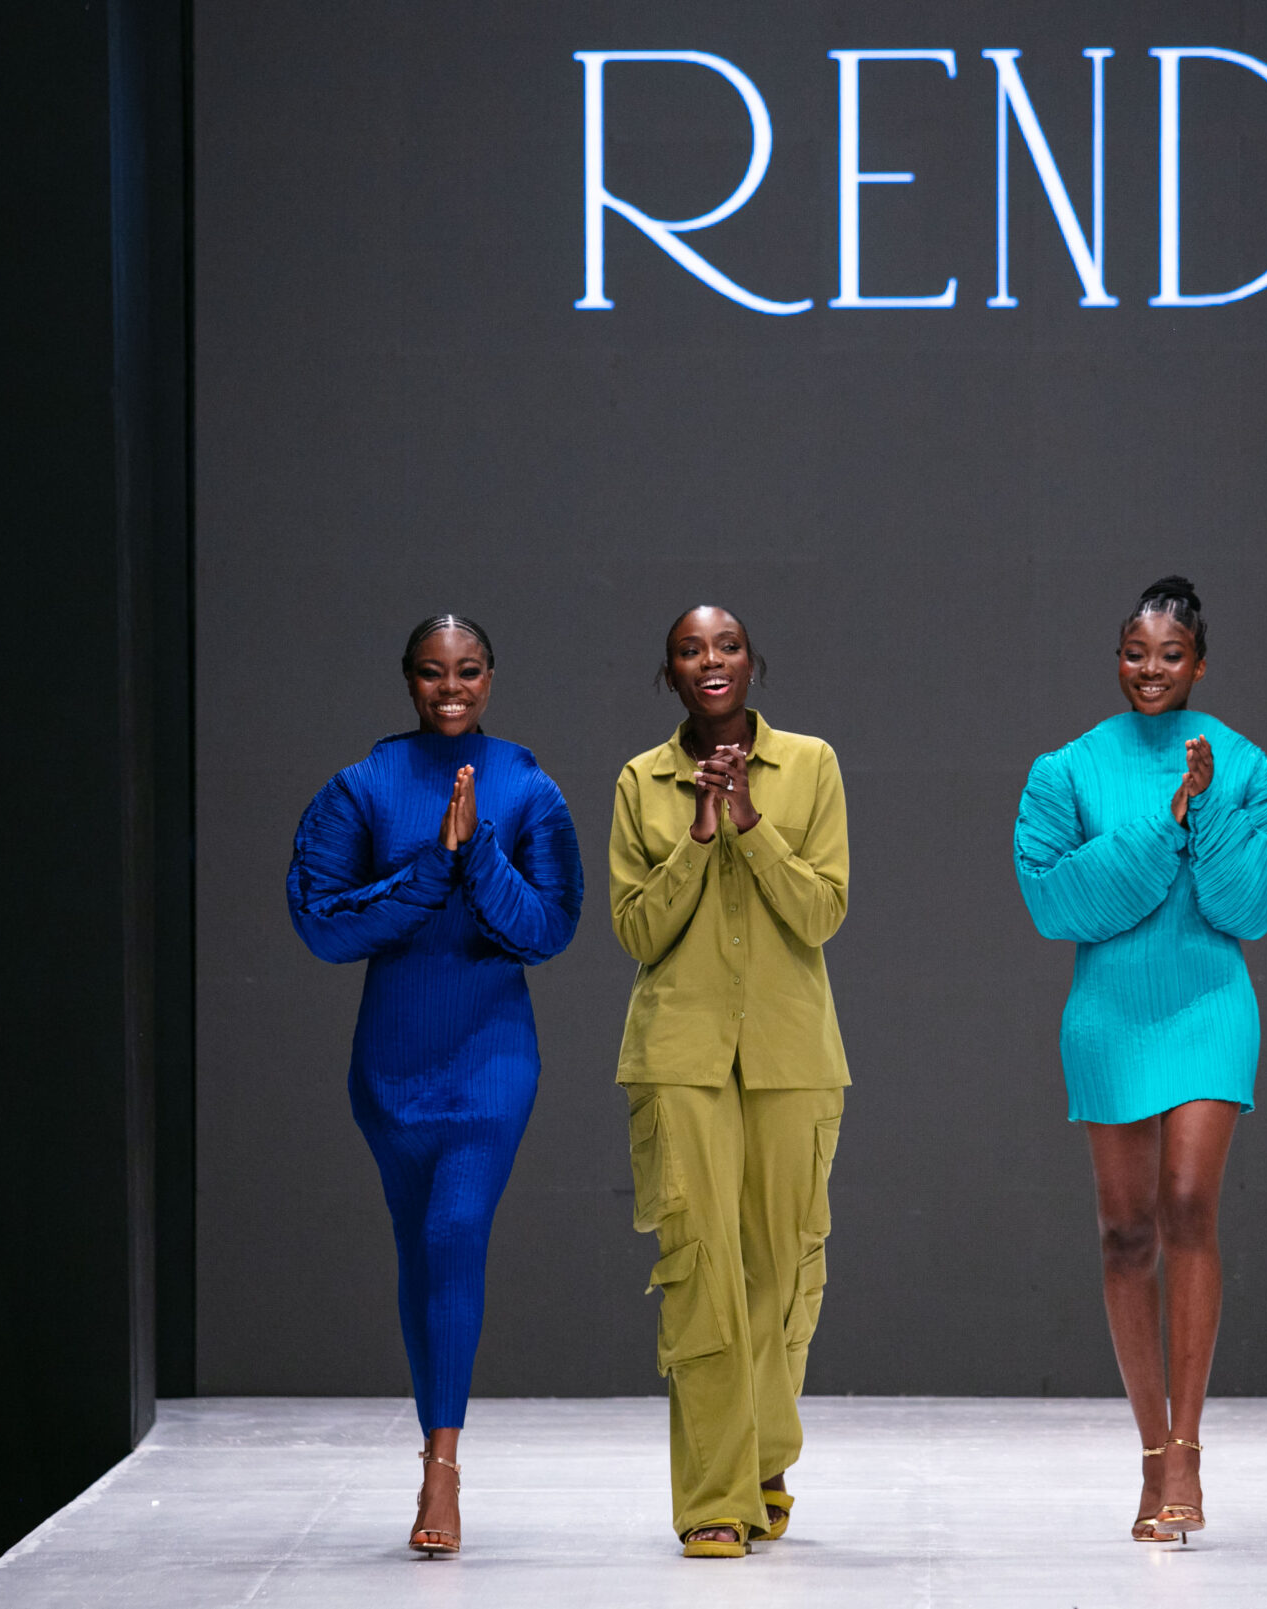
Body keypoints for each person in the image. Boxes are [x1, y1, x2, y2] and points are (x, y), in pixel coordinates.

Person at [1012, 576, 1267, 1542]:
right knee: (1124, 1234)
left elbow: (1252, 902)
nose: (1151, 670)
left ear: (1200, 664)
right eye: (1136, 653)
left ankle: (1187, 1451)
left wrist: (1209, 806)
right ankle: (1151, 1451)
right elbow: (1055, 901)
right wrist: (1166, 819)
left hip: (1209, 1003)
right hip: (1109, 1013)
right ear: (1117, 659)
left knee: (1188, 1205)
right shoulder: (1065, 769)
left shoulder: (1250, 765)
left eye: (1171, 655)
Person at [286, 615, 583, 1555]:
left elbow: (549, 928)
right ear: (408, 679)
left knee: (454, 1231)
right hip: (393, 1061)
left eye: (468, 670)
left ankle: (442, 1471)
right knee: (420, 1253)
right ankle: (434, 1442)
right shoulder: (362, 786)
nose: (450, 687)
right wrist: (434, 866)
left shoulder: (527, 786)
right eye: (431, 671)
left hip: (490, 1056)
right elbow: (322, 922)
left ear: (491, 677)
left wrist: (477, 854)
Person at [609, 605, 850, 1558]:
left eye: (727, 645)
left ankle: (765, 1456)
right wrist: (701, 833)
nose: (710, 660)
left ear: (752, 661)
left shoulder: (812, 765)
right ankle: (714, 1496)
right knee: (701, 1272)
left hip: (793, 1056)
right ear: (669, 672)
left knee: (784, 1271)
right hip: (680, 1056)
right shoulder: (642, 781)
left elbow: (822, 912)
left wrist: (750, 820)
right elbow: (636, 929)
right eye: (689, 650)